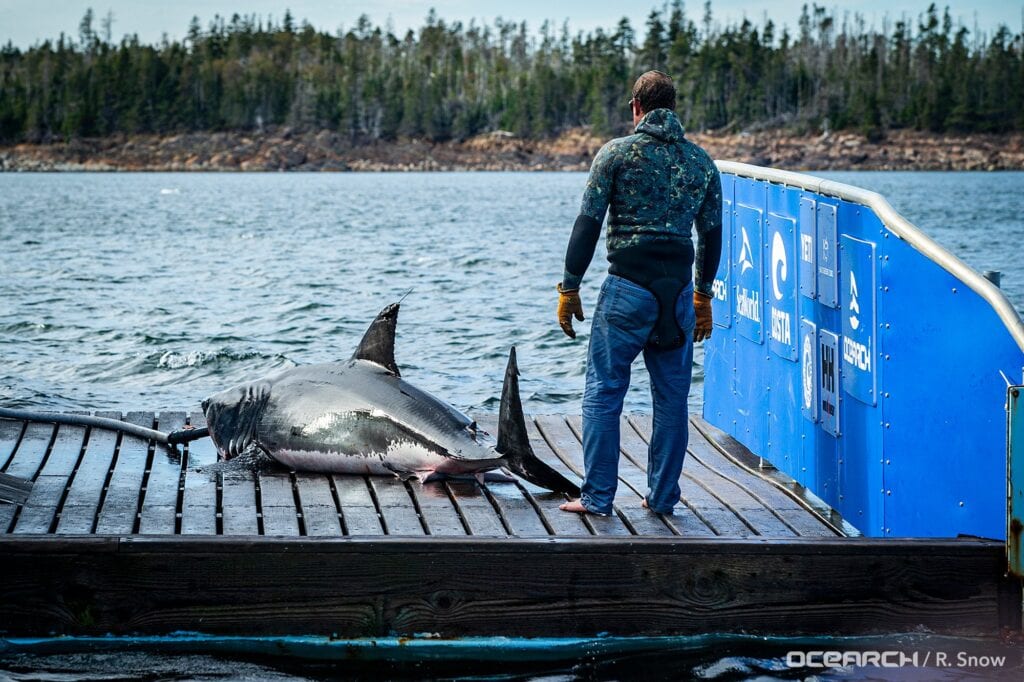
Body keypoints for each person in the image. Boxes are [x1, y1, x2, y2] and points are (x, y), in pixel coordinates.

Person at [556, 70, 722, 516]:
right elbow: (712, 235)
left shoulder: (615, 155)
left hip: (627, 290)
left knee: (605, 391)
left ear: (636, 107)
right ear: (674, 107)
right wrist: (703, 296)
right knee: (671, 400)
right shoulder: (700, 162)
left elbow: (587, 225)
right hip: (679, 296)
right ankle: (664, 498)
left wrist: (570, 286)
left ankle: (597, 498)